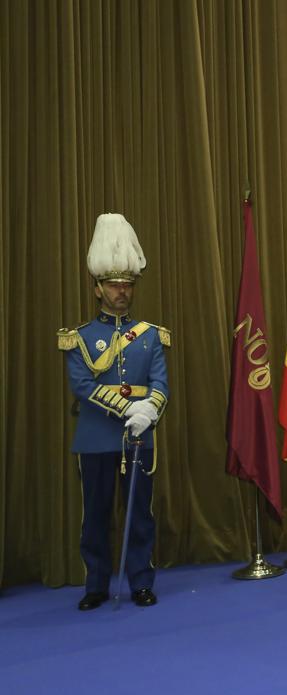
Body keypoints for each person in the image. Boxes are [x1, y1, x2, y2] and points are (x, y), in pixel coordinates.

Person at [58, 213, 170, 611]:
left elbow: (161, 384)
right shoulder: (79, 338)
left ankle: (141, 580)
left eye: (127, 285)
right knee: (96, 518)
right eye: (114, 285)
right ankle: (96, 585)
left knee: (141, 514)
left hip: (141, 438)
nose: (122, 292)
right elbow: (83, 386)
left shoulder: (152, 336)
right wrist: (129, 408)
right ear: (97, 289)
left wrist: (150, 410)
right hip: (95, 439)